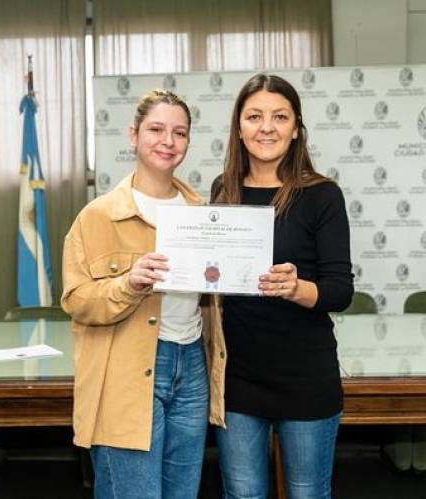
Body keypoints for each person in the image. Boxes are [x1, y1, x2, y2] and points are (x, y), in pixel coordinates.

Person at [61, 89, 226, 499]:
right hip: (127, 370)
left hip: (191, 367)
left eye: (180, 132)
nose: (168, 141)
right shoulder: (96, 217)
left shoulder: (203, 214)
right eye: (156, 129)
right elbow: (77, 302)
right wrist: (128, 283)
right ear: (133, 135)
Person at [211, 73, 353, 499]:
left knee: (308, 493)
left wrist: (297, 288)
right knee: (242, 494)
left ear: (296, 129)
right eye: (254, 116)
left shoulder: (322, 195)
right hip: (238, 375)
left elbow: (340, 291)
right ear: (239, 128)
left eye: (279, 116)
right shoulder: (224, 191)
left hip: (305, 376)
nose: (266, 127)